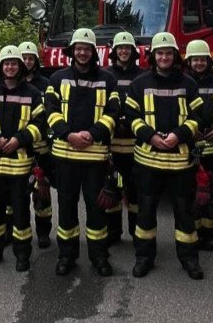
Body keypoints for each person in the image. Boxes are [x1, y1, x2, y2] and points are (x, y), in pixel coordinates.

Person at [125, 32, 205, 280]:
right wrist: (151, 136)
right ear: (153, 56)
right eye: (159, 53)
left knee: (184, 212)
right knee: (146, 212)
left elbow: (198, 116)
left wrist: (178, 135)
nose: (164, 57)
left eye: (168, 53)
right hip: (148, 162)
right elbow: (131, 116)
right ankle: (144, 258)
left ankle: (189, 259)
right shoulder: (139, 83)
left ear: (175, 56)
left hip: (180, 162)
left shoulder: (188, 84)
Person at [44, 28, 119, 277]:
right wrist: (69, 135)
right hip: (65, 156)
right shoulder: (57, 78)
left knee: (97, 210)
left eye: (87, 49)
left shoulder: (108, 79)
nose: (83, 52)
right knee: (66, 208)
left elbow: (113, 112)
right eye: (79, 48)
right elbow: (51, 110)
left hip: (95, 157)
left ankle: (99, 256)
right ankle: (66, 256)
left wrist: (93, 134)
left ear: (93, 52)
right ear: (72, 51)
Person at [0, 46, 46, 271]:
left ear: (20, 66)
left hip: (20, 166)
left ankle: (22, 254)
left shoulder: (32, 94)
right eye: (6, 63)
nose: (10, 67)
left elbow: (40, 123)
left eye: (14, 63)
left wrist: (19, 140)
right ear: (1, 66)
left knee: (21, 212)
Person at [103, 32, 147, 243]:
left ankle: (136, 232)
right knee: (111, 187)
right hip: (111, 143)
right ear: (114, 51)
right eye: (120, 48)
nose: (123, 51)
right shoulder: (105, 75)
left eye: (127, 48)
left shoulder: (143, 76)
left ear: (133, 51)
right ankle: (113, 232)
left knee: (136, 190)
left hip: (135, 143)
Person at [183, 39, 213, 252]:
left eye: (202, 60)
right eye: (195, 60)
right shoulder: (182, 83)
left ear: (208, 62)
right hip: (190, 147)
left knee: (212, 195)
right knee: (191, 193)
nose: (199, 63)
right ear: (188, 62)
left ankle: (209, 235)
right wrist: (189, 130)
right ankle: (194, 232)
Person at [19, 41, 53, 248]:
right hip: (18, 148)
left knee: (42, 195)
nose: (27, 62)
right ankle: (14, 231)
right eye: (23, 58)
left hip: (41, 148)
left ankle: (43, 232)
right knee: (16, 195)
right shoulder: (10, 83)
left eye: (30, 58)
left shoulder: (46, 84)